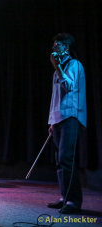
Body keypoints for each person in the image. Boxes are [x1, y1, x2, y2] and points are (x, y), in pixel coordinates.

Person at [47, 33, 86, 214]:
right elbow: (56, 98)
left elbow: (69, 86)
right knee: (58, 160)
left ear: (67, 47)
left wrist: (57, 68)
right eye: (54, 43)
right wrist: (52, 121)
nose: (55, 46)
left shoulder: (74, 65)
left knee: (66, 158)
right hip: (58, 118)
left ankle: (73, 201)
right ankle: (65, 196)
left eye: (59, 44)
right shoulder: (59, 68)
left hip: (71, 116)